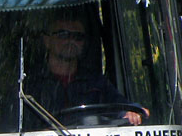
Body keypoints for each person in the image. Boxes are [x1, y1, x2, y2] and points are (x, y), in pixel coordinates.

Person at [10, 16, 145, 128]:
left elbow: (122, 105)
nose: (71, 41)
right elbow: (12, 129)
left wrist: (132, 112)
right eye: (63, 35)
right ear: (47, 40)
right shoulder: (27, 86)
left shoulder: (96, 82)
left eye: (78, 37)